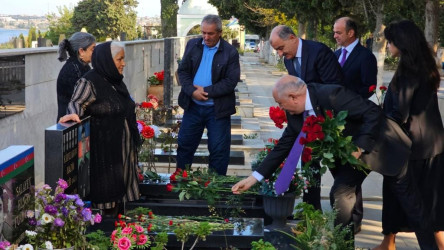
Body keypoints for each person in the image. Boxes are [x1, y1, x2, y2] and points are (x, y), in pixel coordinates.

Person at [232, 75, 382, 243]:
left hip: (370, 148)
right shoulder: (295, 114)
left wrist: (360, 145)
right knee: (341, 195)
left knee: (341, 194)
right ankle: (344, 244)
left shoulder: (331, 94)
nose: (280, 108)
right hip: (342, 157)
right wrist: (253, 178)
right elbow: (283, 146)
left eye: (280, 103)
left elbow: (373, 111)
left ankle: (343, 244)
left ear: (293, 97)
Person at [373, 20, 444, 250]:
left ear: (400, 44)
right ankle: (389, 243)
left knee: (414, 203)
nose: (389, 46)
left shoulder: (408, 73)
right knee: (430, 201)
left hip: (411, 149)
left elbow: (399, 114)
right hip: (433, 146)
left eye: (390, 42)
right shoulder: (425, 67)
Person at [59, 41, 141, 216]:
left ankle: (119, 234)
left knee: (120, 202)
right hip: (105, 157)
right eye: (119, 59)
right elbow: (76, 103)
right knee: (107, 203)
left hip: (123, 154)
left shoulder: (116, 81)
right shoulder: (88, 81)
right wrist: (72, 115)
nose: (123, 63)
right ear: (107, 60)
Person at [269, 25, 343, 210]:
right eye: (276, 50)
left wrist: (319, 115)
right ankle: (311, 210)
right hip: (308, 121)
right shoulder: (288, 59)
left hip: (329, 121)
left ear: (293, 38)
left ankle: (352, 217)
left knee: (341, 173)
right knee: (309, 164)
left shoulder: (319, 52)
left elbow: (335, 88)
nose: (279, 54)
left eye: (280, 48)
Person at [176, 14, 240, 175]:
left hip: (217, 111)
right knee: (185, 145)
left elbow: (231, 81)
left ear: (219, 32)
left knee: (219, 150)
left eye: (210, 33)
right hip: (193, 107)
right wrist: (192, 91)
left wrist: (204, 92)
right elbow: (183, 72)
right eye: (203, 32)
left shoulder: (230, 52)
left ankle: (215, 188)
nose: (206, 37)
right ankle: (181, 183)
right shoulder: (192, 45)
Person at [333, 16, 377, 234]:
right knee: (342, 174)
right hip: (337, 122)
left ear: (351, 33)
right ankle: (351, 213)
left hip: (356, 121)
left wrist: (349, 102)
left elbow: (370, 87)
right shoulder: (335, 55)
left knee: (350, 173)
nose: (335, 35)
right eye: (334, 32)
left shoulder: (365, 56)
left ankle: (354, 219)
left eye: (338, 32)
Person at [56, 32, 96, 121]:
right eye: (93, 49)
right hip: (70, 124)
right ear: (81, 51)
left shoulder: (82, 66)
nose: (95, 52)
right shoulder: (72, 70)